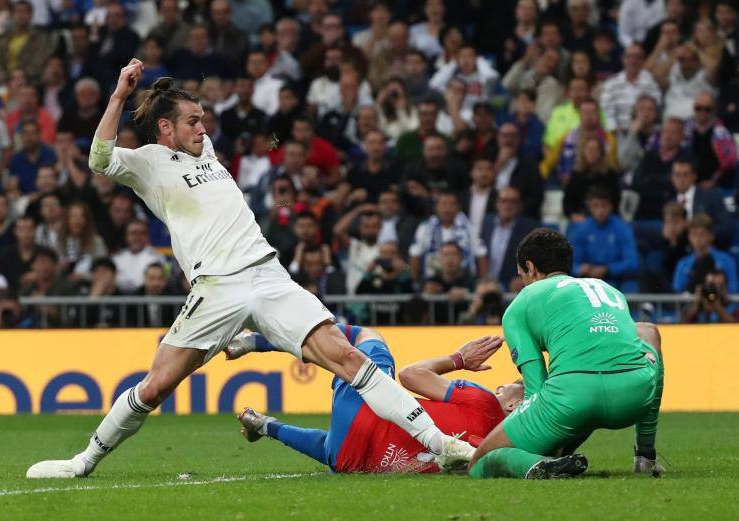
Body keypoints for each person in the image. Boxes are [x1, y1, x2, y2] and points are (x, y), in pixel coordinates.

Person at [27, 62, 472, 479]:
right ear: (166, 129)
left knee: (349, 359)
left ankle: (440, 443)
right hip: (216, 288)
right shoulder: (148, 163)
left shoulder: (208, 151)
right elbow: (99, 159)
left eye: (202, 119)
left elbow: (224, 132)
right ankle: (83, 462)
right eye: (192, 122)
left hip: (268, 275)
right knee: (154, 389)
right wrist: (120, 96)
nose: (203, 128)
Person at [462, 228, 665, 479]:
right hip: (632, 397)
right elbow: (639, 335)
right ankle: (645, 455)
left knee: (480, 463)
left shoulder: (521, 303)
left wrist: (543, 435)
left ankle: (537, 464)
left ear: (530, 268)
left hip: (573, 398)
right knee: (648, 331)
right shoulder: (608, 290)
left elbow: (535, 387)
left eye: (521, 275)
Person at [234, 325, 514, 473]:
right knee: (333, 449)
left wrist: (458, 359)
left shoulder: (487, 404)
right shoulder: (499, 455)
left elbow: (411, 375)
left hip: (362, 411)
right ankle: (263, 426)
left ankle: (257, 341)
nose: (499, 386)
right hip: (357, 461)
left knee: (366, 336)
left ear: (514, 406)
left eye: (508, 388)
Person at [571, 187, 640, 293]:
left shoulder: (622, 228)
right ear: (590, 207)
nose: (600, 210)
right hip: (587, 281)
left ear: (611, 206)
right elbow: (573, 262)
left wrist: (608, 269)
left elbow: (632, 262)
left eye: (604, 206)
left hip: (616, 281)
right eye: (596, 206)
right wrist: (579, 268)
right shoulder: (582, 229)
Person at [481, 187, 538, 291]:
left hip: (513, 288)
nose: (507, 205)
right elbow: (480, 251)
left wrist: (525, 278)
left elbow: (535, 259)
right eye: (503, 201)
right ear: (496, 203)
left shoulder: (530, 228)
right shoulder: (487, 222)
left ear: (520, 205)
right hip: (486, 285)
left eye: (513, 202)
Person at [672, 214, 738, 294]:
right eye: (694, 234)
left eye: (702, 234)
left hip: (719, 304)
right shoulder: (683, 263)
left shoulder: (726, 260)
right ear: (689, 237)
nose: (698, 239)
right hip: (692, 305)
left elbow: (733, 291)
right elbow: (677, 292)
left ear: (711, 236)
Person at [112, 219, 166, 294]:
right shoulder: (117, 258)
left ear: (148, 236)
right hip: (119, 297)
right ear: (126, 235)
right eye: (133, 233)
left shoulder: (157, 257)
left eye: (142, 233)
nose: (137, 237)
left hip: (144, 298)